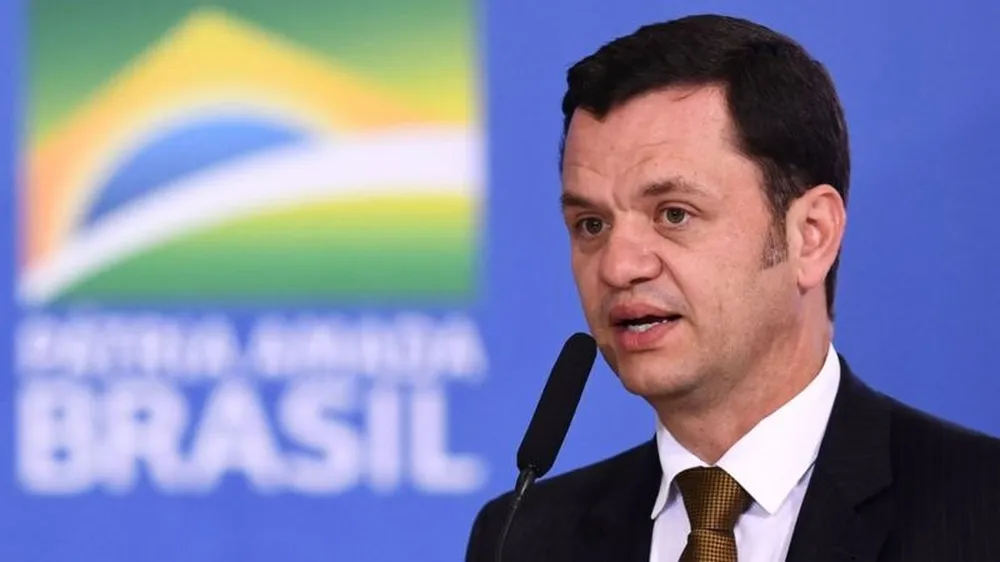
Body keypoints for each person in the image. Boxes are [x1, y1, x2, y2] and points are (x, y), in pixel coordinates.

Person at [464, 13, 1000, 562]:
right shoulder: (520, 539)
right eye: (591, 224)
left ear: (811, 236)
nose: (618, 267)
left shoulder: (981, 511)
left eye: (674, 213)